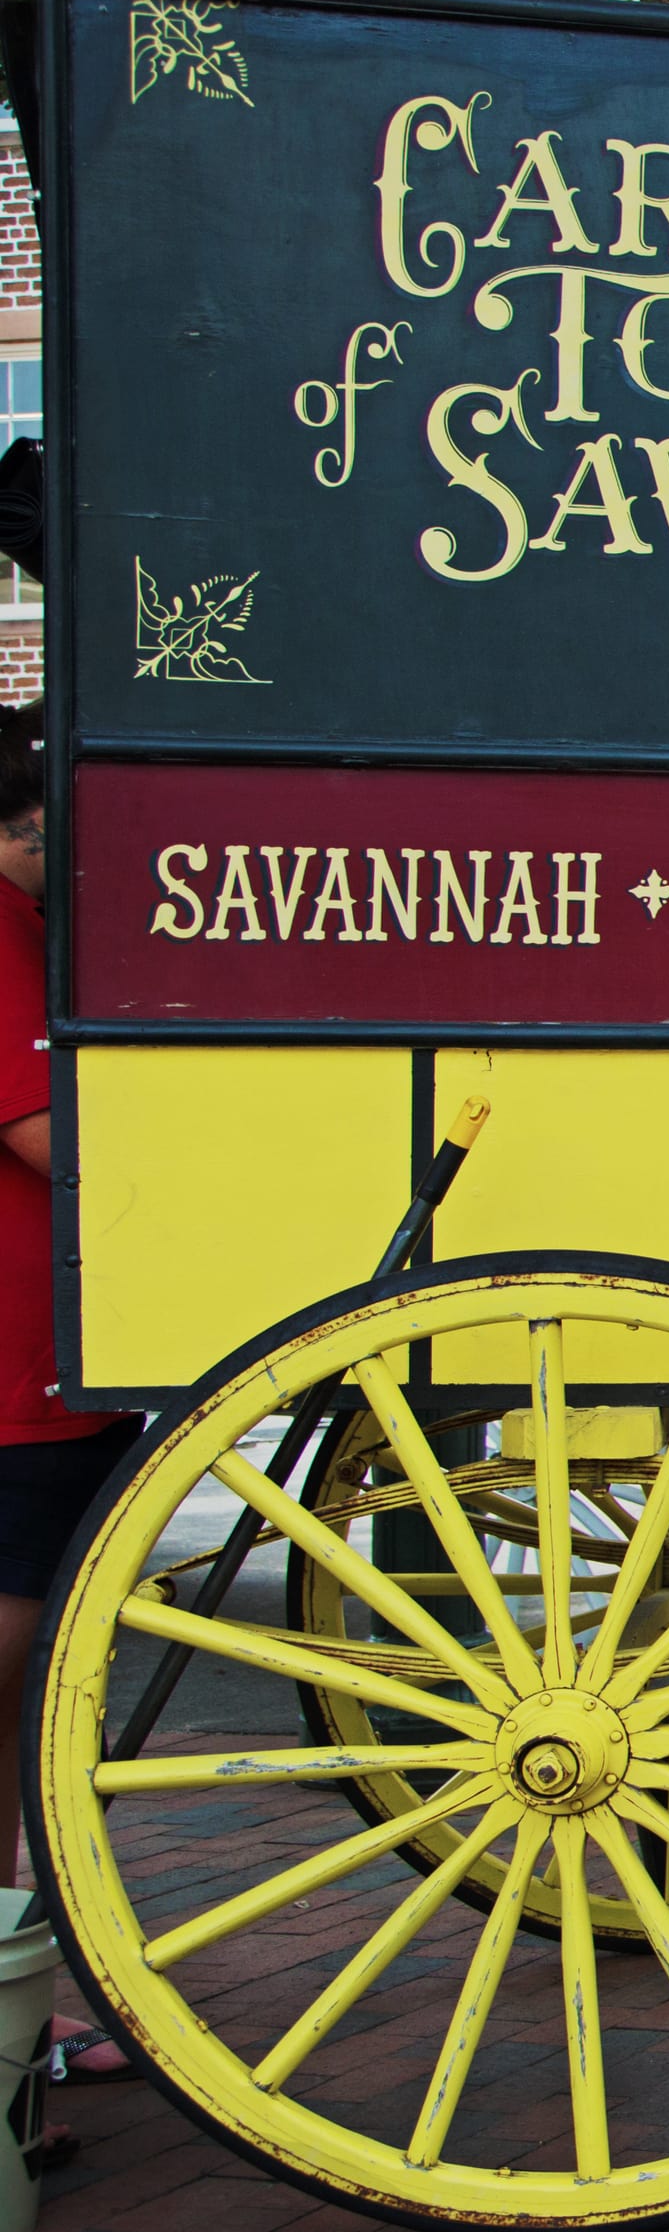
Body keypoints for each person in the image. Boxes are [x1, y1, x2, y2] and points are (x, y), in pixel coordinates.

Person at [0, 714, 143, 2123]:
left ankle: (23, 2017)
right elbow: (45, 1132)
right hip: (14, 1378)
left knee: (24, 1697)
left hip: (57, 1366)